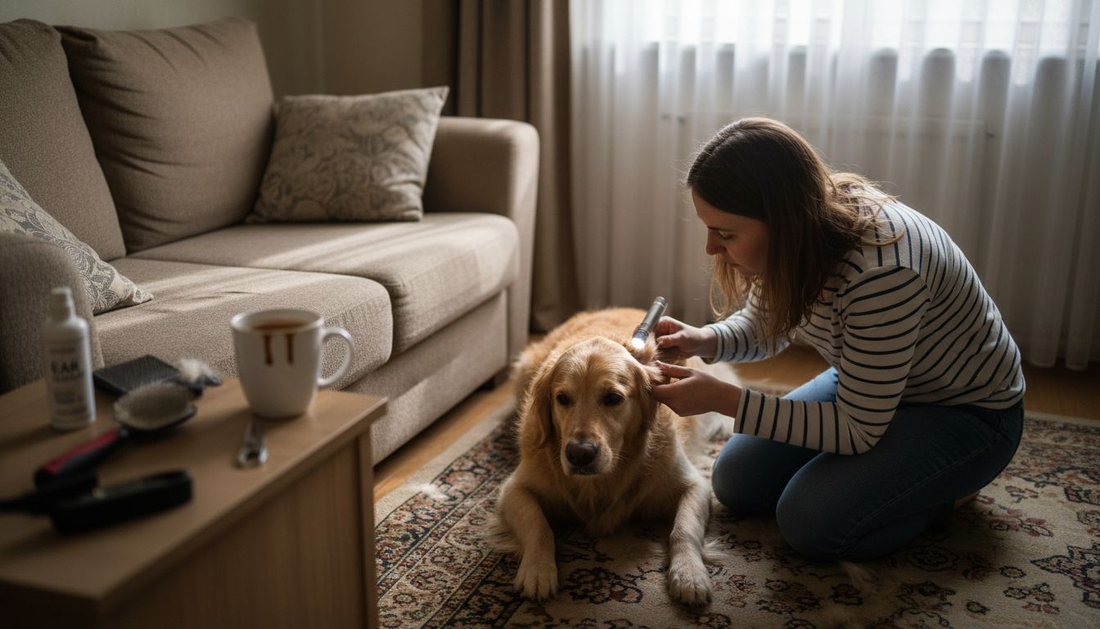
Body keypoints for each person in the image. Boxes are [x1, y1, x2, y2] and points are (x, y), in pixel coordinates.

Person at [650, 117, 1025, 562]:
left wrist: (725, 399)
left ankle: (946, 493)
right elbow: (764, 326)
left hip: (967, 412)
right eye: (709, 229)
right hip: (869, 384)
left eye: (725, 234)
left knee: (811, 523)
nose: (711, 248)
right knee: (736, 482)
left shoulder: (883, 272)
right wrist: (701, 340)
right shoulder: (801, 235)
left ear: (782, 223)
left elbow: (856, 429)